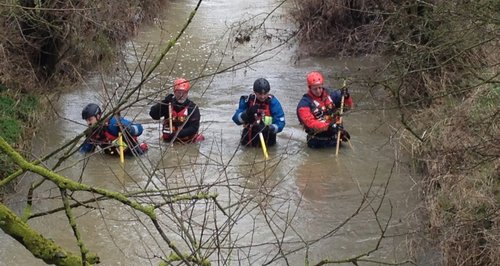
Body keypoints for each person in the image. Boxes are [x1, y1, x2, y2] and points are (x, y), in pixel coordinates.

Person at [296, 71, 353, 149]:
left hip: (335, 138)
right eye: (315, 89)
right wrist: (329, 127)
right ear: (309, 88)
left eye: (320, 87)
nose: (318, 91)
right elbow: (310, 123)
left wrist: (346, 97)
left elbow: (347, 108)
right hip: (317, 142)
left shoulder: (332, 95)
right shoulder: (304, 105)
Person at [232, 78, 285, 147]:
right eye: (260, 94)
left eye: (265, 93)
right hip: (248, 139)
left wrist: (269, 128)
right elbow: (236, 119)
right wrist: (247, 113)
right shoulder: (247, 101)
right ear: (254, 92)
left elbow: (281, 123)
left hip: (268, 140)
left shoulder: (273, 103)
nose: (263, 97)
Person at [80, 103, 148, 155]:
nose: (88, 123)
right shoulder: (93, 134)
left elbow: (139, 128)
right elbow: (85, 152)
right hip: (113, 156)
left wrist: (130, 129)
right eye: (86, 120)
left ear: (98, 116)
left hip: (133, 154)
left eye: (90, 119)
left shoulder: (113, 123)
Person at [149, 78, 203, 143]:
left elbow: (194, 128)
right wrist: (164, 102)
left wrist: (177, 134)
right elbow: (153, 115)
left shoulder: (192, 107)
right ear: (174, 92)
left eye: (184, 93)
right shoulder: (168, 105)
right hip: (169, 140)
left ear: (187, 93)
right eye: (178, 92)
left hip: (187, 141)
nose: (181, 95)